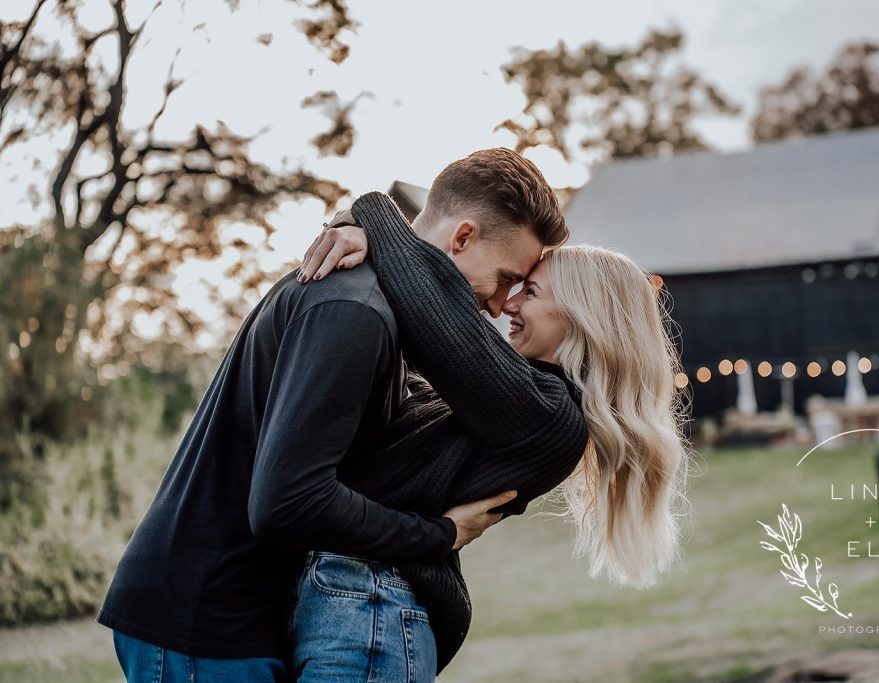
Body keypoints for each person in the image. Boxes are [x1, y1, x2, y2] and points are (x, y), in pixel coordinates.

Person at [96, 148, 569, 683]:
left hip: (236, 616)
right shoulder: (355, 308)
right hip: (205, 621)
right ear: (462, 238)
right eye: (505, 278)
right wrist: (438, 535)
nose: (499, 305)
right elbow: (289, 501)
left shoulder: (376, 304)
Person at [291, 188, 692, 679]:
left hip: (370, 610)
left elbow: (433, 310)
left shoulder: (547, 414)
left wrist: (371, 211)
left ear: (583, 318)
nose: (508, 305)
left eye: (531, 292)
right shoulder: (512, 398)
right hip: (357, 603)